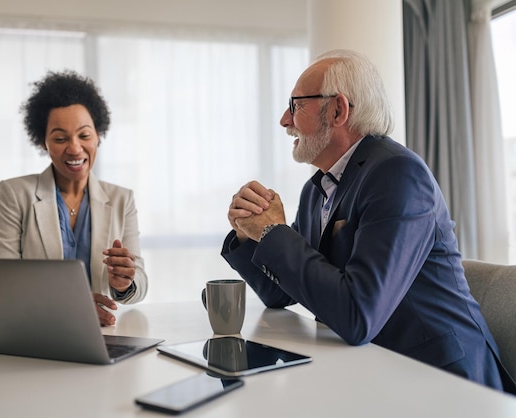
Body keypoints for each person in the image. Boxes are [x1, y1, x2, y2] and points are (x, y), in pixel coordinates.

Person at [221, 49, 516, 394]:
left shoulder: (398, 174)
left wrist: (273, 232)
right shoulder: (316, 188)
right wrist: (248, 234)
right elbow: (279, 292)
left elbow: (358, 316)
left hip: (443, 383)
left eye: (296, 105)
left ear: (338, 110)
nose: (284, 119)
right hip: (372, 370)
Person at [0, 70, 147, 326]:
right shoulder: (14, 195)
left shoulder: (121, 199)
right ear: (43, 142)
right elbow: (2, 282)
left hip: (103, 335)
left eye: (84, 135)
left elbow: (139, 281)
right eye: (60, 138)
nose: (74, 148)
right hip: (37, 331)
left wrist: (124, 284)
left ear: (98, 136)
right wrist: (72, 309)